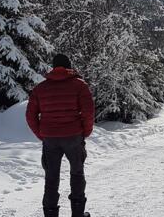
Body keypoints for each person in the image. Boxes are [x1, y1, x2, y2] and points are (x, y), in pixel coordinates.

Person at [26, 54, 95, 217]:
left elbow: (30, 115)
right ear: (69, 67)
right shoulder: (79, 85)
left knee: (51, 177)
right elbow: (88, 111)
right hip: (73, 136)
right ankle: (77, 213)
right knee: (77, 173)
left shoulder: (40, 88)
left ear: (53, 67)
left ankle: (50, 214)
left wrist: (41, 134)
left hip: (50, 138)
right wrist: (85, 132)